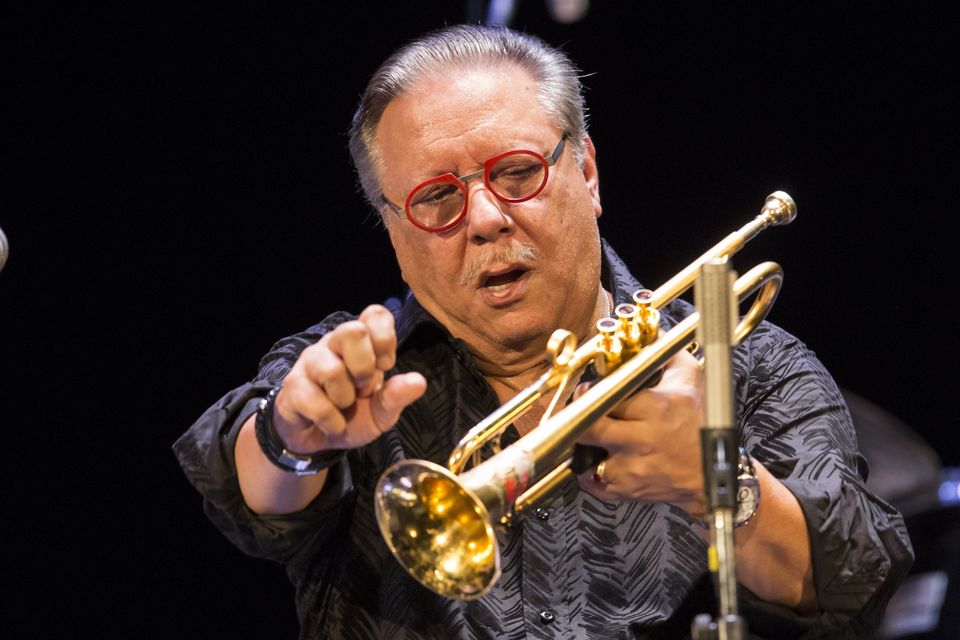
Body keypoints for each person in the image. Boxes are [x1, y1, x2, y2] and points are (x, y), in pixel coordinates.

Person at [174, 24, 913, 639]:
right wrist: (294, 437)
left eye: (519, 173)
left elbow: (856, 583)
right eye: (436, 197)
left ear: (587, 173)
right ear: (395, 234)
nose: (489, 219)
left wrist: (716, 480)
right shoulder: (356, 366)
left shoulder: (751, 366)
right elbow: (246, 493)